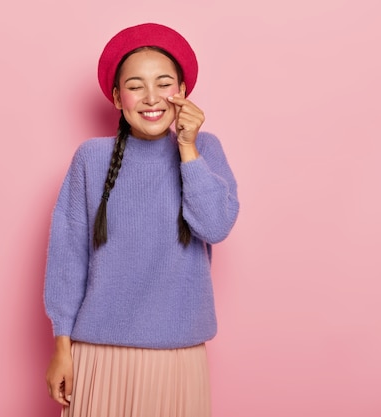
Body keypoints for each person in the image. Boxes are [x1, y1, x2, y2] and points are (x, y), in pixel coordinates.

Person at [43, 22, 239, 417]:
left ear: (182, 93)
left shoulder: (205, 149)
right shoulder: (91, 158)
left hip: (177, 354)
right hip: (98, 354)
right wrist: (62, 347)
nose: (152, 97)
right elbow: (68, 256)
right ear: (117, 97)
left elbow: (215, 226)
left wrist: (187, 148)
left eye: (164, 83)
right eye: (135, 85)